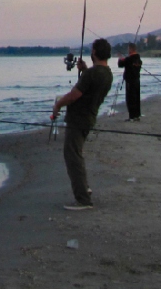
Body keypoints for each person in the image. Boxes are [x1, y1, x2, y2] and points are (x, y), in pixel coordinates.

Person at [50, 38, 114, 210]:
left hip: (78, 119)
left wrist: (58, 105)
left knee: (73, 157)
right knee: (76, 154)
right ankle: (84, 188)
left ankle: (83, 199)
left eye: (92, 50)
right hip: (89, 118)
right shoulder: (107, 73)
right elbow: (92, 84)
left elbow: (74, 95)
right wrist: (85, 70)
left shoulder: (92, 74)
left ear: (94, 52)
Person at [118, 43, 143, 121]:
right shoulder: (139, 59)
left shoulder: (129, 59)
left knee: (130, 98)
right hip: (137, 80)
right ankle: (137, 115)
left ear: (131, 49)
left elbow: (120, 64)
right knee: (136, 97)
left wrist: (120, 58)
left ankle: (132, 116)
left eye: (128, 49)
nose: (128, 50)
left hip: (130, 81)